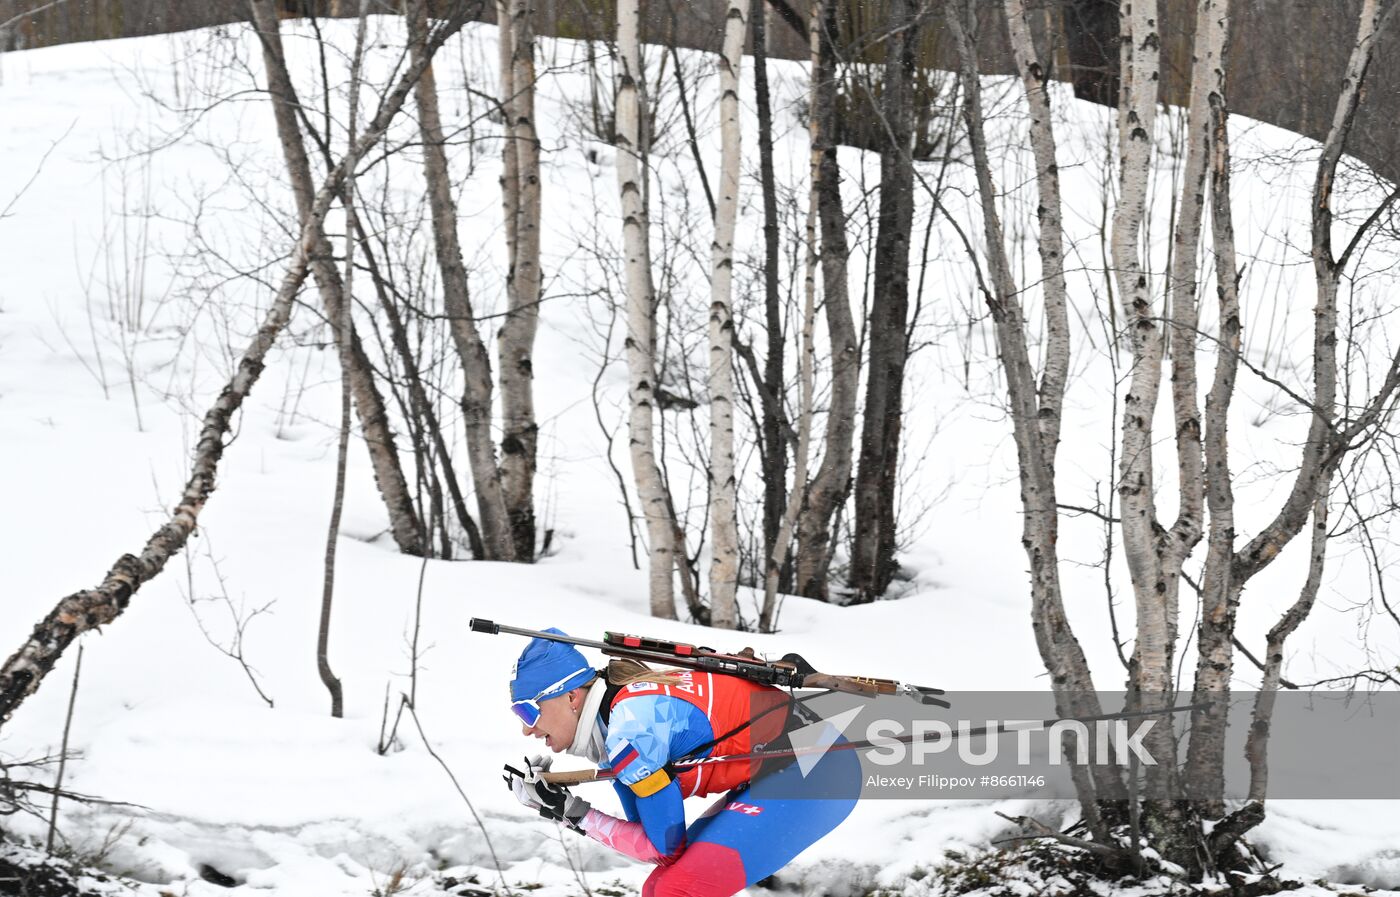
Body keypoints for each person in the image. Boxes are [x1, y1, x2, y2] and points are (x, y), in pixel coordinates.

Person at [502, 628, 860, 897]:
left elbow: (662, 849)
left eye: (529, 710)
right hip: (782, 768)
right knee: (660, 889)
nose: (526, 728)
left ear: (571, 696)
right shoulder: (617, 724)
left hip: (820, 770)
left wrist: (574, 813)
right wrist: (566, 808)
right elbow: (653, 841)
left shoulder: (630, 733)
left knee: (677, 891)